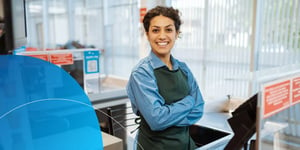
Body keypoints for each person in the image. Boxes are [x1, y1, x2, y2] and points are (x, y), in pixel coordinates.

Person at [126, 6, 205, 150]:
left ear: (177, 34)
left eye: (168, 30)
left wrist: (167, 117)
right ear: (147, 34)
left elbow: (199, 109)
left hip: (186, 145)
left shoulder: (184, 69)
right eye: (156, 30)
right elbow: (156, 120)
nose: (162, 36)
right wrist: (188, 102)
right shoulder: (142, 72)